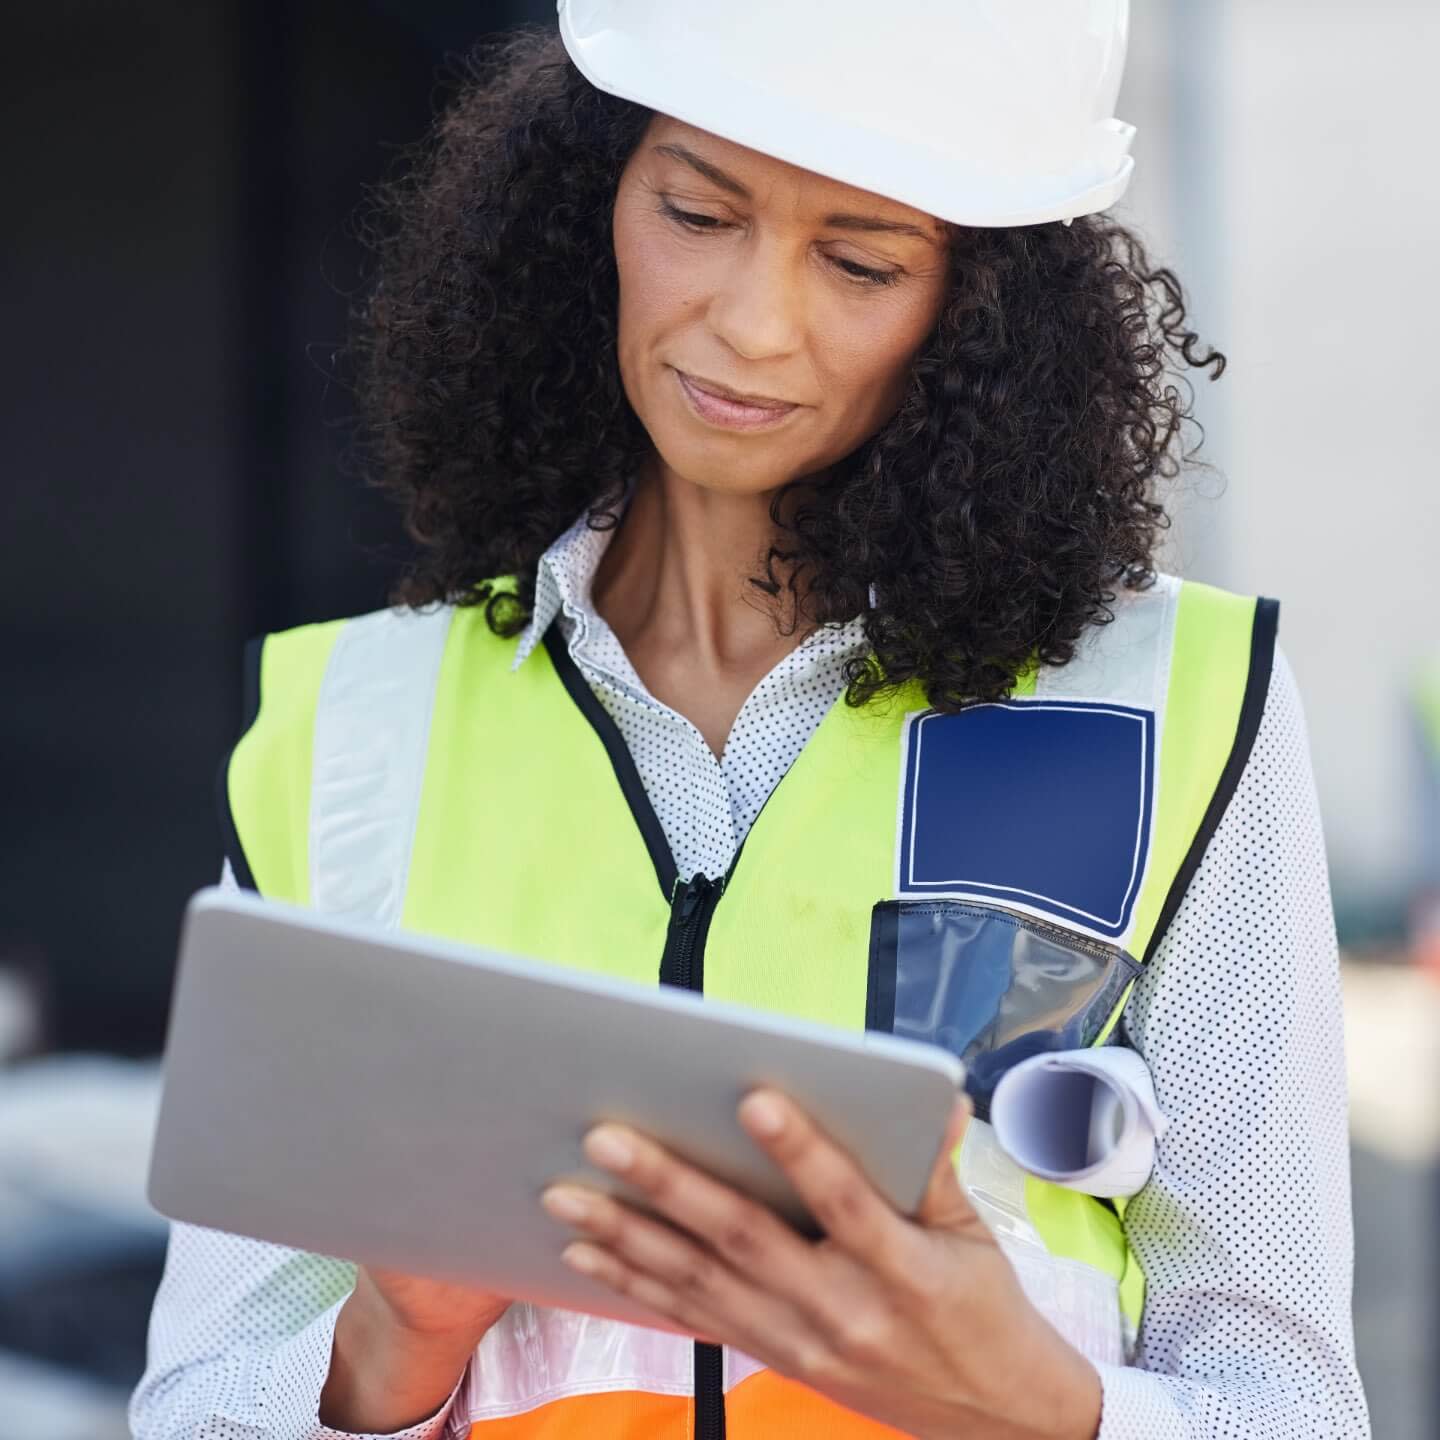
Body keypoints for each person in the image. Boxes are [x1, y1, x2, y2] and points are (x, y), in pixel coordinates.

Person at [130, 5, 1370, 1438]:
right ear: (588, 193)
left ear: (981, 303)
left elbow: (1290, 1408)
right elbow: (197, 1410)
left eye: (858, 261)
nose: (749, 319)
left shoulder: (1178, 705)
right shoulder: (351, 734)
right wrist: (385, 1353)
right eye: (697, 211)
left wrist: (1033, 1401)